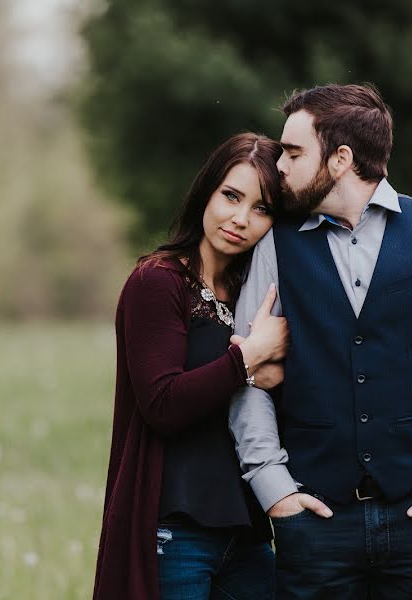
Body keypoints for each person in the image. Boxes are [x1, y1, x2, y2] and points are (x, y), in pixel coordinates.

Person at [229, 84, 412, 599]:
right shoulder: (276, 245)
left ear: (341, 159)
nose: (280, 168)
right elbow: (246, 370)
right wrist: (273, 488)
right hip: (313, 523)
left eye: (293, 153)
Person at [93, 132, 290, 600]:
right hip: (175, 532)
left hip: (248, 531)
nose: (240, 219)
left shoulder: (256, 295)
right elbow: (162, 403)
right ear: (207, 190)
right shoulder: (158, 283)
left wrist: (275, 375)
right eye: (231, 196)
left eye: (261, 209)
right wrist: (247, 360)